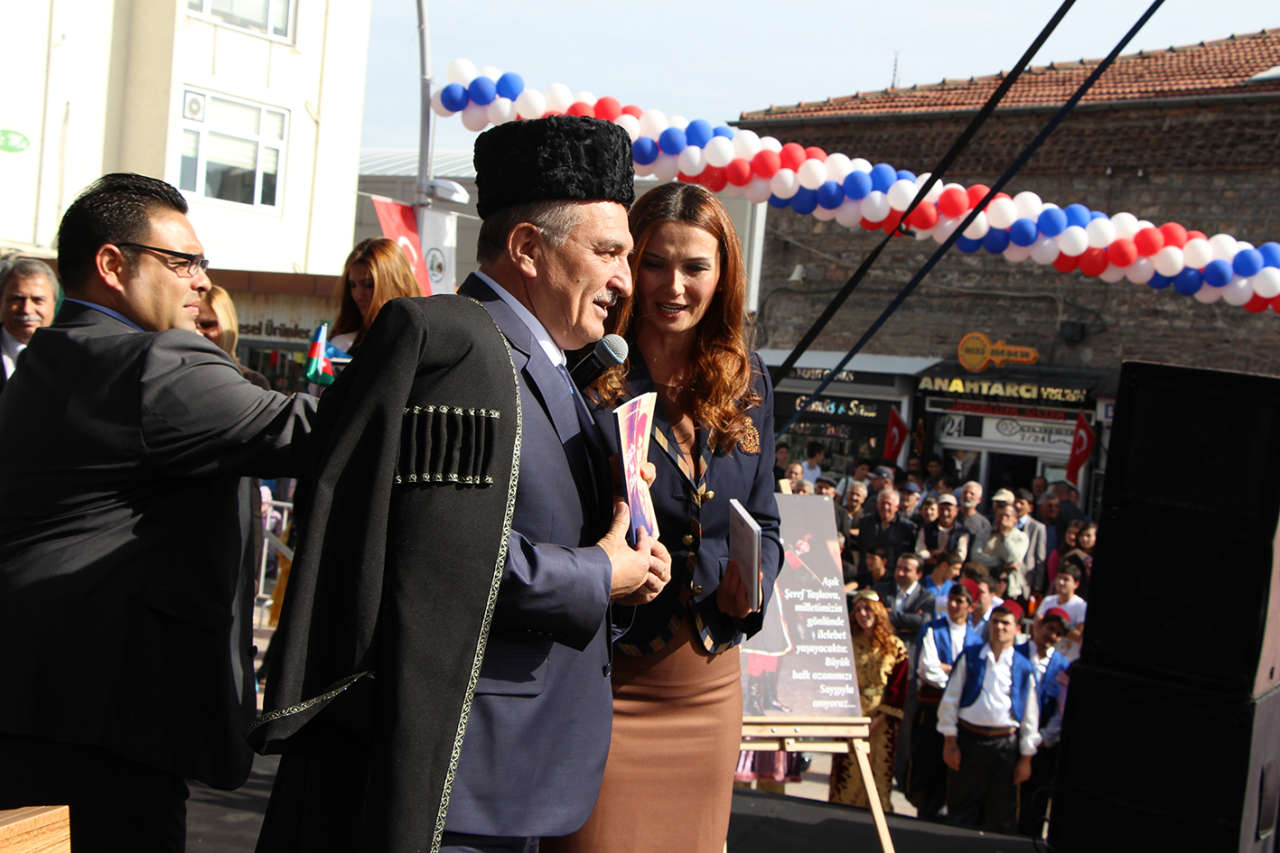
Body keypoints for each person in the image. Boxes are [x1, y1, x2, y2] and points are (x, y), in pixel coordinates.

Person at [255, 116, 672, 853]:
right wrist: (600, 571)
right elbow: (444, 562)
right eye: (607, 251)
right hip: (456, 776)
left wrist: (626, 564)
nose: (624, 280)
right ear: (527, 250)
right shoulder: (460, 349)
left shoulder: (547, 364)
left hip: (512, 776)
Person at [0, 173, 317, 851]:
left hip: (37, 700)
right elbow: (315, 428)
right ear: (113, 264)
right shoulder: (152, 361)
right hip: (114, 722)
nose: (199, 280)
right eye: (182, 262)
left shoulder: (52, 351)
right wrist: (435, 359)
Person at [550, 181, 782, 853]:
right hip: (606, 682)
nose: (672, 285)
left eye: (694, 267)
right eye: (655, 261)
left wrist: (752, 581)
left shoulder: (750, 380)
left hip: (709, 688)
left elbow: (764, 517)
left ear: (723, 275)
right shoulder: (584, 375)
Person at [937, 602, 1039, 834]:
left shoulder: (1022, 667)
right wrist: (950, 742)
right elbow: (950, 700)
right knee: (961, 809)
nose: (999, 628)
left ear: (1017, 629)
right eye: (995, 622)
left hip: (1004, 747)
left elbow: (1030, 716)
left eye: (1006, 623)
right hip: (969, 741)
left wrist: (1026, 759)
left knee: (1000, 813)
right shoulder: (971, 657)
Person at [829, 590, 909, 812]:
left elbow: (898, 687)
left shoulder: (896, 647)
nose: (863, 615)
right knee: (848, 769)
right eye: (858, 611)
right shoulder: (847, 644)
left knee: (878, 769)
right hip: (852, 714)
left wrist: (880, 717)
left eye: (867, 609)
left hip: (882, 719)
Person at [908, 581, 983, 820]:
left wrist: (950, 672)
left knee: (950, 765)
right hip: (932, 707)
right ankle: (926, 807)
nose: (953, 605)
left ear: (970, 607)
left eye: (960, 601)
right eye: (951, 599)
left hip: (957, 713)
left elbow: (973, 675)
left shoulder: (975, 640)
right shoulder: (933, 630)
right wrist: (953, 680)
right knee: (928, 761)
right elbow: (928, 668)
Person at [1015, 607, 1071, 838]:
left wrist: (1043, 738)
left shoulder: (1061, 667)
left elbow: (1061, 711)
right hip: (1010, 740)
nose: (1052, 636)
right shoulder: (1015, 653)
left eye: (1058, 634)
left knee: (1033, 807)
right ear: (1038, 626)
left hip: (1042, 746)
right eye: (1050, 629)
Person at [328, 236, 422, 353]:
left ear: (395, 284)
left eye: (368, 285)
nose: (358, 294)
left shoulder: (419, 341)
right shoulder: (340, 345)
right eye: (352, 285)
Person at [0, 258, 59, 390]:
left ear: (53, 304)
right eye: (17, 299)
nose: (26, 309)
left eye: (38, 300)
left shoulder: (70, 357)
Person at [197, 284, 270, 389]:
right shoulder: (174, 374)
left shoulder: (252, 382)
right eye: (191, 324)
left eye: (206, 325)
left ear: (226, 324)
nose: (197, 332)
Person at [874, 553, 936, 642]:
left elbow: (922, 622)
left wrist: (889, 614)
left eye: (906, 570)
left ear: (918, 575)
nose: (900, 573)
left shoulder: (926, 597)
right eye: (898, 568)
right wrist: (910, 620)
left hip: (910, 648)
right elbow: (874, 616)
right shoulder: (881, 590)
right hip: (882, 644)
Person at [1013, 488, 1048, 597]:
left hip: (1026, 580)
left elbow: (1040, 558)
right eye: (1015, 502)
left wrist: (1037, 587)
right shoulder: (1006, 522)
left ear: (1030, 507)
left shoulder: (1038, 527)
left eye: (1021, 503)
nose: (1017, 506)